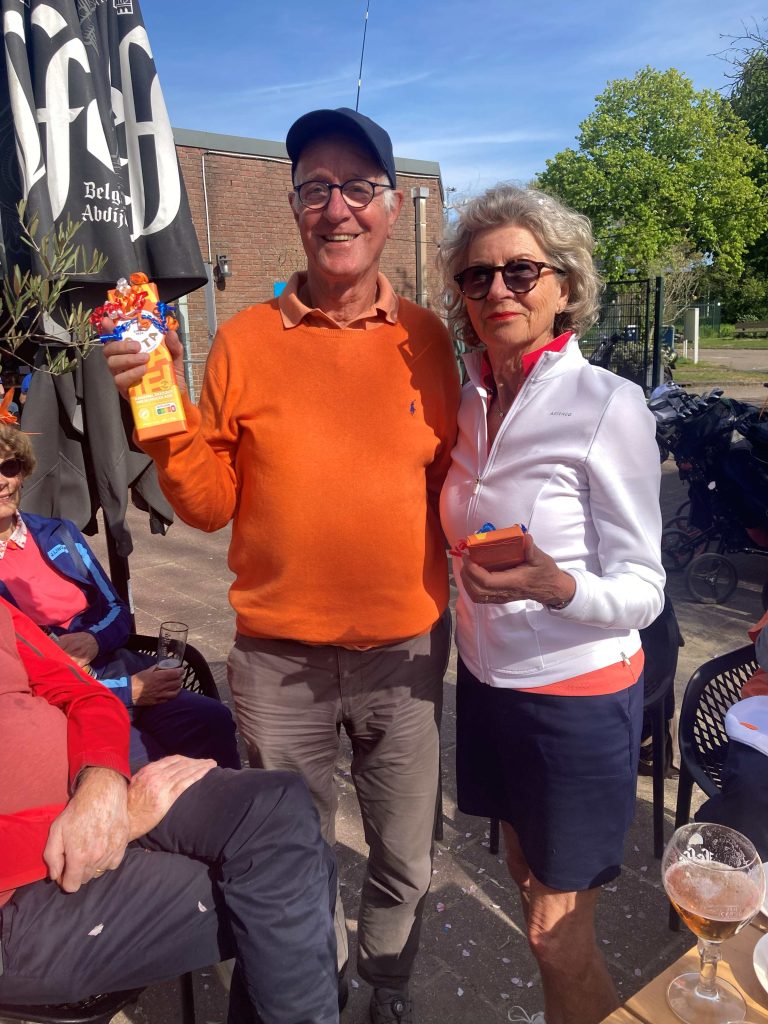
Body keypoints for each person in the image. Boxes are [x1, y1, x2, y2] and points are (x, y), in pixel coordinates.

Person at [102, 107, 460, 1024]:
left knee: (404, 855)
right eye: (315, 189)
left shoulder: (428, 341)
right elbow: (209, 503)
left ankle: (387, 987)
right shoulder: (245, 339)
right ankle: (312, 992)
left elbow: (454, 487)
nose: (337, 208)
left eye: (359, 188)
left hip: (405, 658)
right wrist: (158, 409)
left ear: (391, 206)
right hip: (277, 664)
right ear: (295, 206)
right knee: (292, 855)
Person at [438, 184, 665, 1024]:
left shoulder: (607, 405)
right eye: (478, 276)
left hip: (576, 700)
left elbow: (645, 589)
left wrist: (554, 583)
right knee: (522, 875)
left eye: (522, 271)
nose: (498, 289)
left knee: (555, 934)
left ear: (564, 286)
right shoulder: (466, 400)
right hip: (487, 688)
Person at [0, 594, 338, 1024]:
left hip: (85, 794)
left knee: (277, 807)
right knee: (295, 875)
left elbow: (85, 693)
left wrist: (102, 775)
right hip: (19, 900)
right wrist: (113, 823)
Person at [0, 423, 239, 772]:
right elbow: (18, 676)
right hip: (65, 697)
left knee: (212, 720)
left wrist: (95, 640)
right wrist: (128, 690)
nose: (3, 481)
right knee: (143, 762)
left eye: (9, 466)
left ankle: (233, 801)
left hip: (114, 663)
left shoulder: (57, 533)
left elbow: (116, 609)